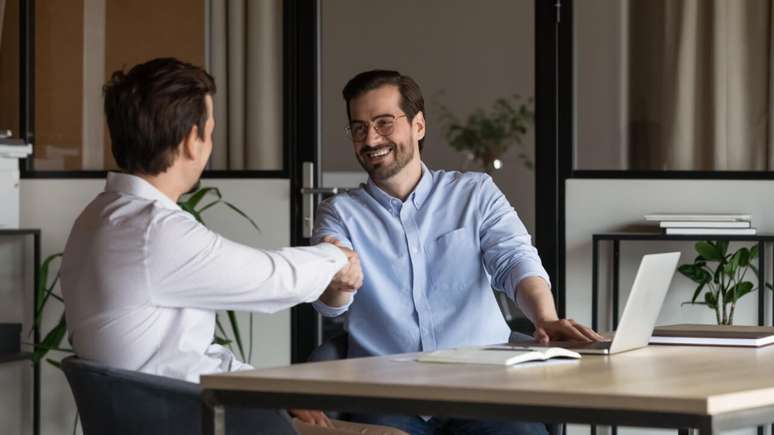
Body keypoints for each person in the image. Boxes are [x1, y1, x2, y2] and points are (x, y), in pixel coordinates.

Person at [60, 58, 405, 435]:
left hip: (170, 413)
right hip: (193, 423)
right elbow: (270, 278)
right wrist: (337, 259)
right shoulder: (152, 231)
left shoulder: (97, 218)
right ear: (193, 140)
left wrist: (275, 390)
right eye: (210, 131)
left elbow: (181, 357)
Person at [311, 70, 604, 435]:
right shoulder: (339, 213)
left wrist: (545, 318)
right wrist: (338, 276)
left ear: (418, 125)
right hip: (386, 396)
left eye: (384, 123)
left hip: (484, 390)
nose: (371, 139)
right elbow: (331, 300)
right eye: (359, 128)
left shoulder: (475, 193)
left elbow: (513, 259)